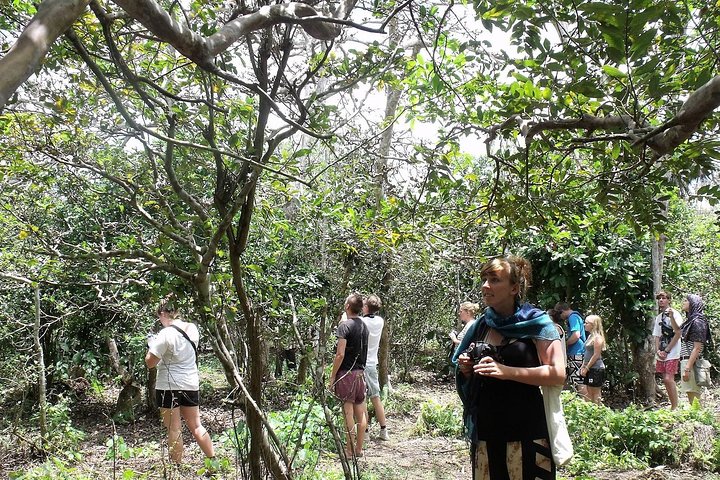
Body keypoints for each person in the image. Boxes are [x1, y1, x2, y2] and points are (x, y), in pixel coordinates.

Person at [454, 256, 566, 480]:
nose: (486, 285)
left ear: (514, 288)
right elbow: (470, 376)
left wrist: (506, 372)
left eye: (494, 280)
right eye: (485, 279)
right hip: (487, 430)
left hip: (526, 430)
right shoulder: (482, 325)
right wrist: (467, 370)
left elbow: (557, 373)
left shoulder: (538, 324)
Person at [145, 297, 216, 466]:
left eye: (159, 317)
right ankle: (214, 463)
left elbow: (150, 362)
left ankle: (176, 469)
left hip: (168, 386)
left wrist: (151, 345)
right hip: (190, 383)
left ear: (163, 314)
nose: (160, 321)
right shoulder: (192, 329)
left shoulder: (165, 334)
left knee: (174, 428)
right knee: (197, 426)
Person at [329, 292, 369, 458]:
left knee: (348, 414)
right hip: (361, 374)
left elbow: (340, 354)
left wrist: (332, 377)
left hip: (347, 374)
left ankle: (349, 451)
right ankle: (359, 449)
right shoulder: (364, 326)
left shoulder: (344, 327)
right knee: (361, 413)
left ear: (347, 307)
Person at [362, 294, 389, 441]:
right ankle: (383, 429)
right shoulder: (380, 321)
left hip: (362, 364)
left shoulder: (361, 322)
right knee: (375, 397)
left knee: (362, 399)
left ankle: (365, 432)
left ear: (366, 307)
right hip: (372, 363)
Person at [652, 291, 682, 409]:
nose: (661, 300)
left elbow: (678, 332)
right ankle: (672, 405)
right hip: (661, 352)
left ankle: (675, 406)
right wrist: (658, 351)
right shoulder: (659, 317)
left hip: (672, 352)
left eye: (664, 298)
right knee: (665, 380)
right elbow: (657, 335)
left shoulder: (675, 314)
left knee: (669, 379)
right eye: (659, 298)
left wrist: (667, 350)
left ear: (669, 300)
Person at [679, 293, 710, 406]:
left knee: (694, 392)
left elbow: (697, 348)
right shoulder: (691, 320)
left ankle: (698, 416)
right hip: (686, 360)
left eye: (686, 301)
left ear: (693, 304)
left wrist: (687, 368)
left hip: (691, 361)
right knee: (690, 391)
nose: (683, 302)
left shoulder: (698, 321)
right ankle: (696, 415)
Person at [555, 302, 586, 387]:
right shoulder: (576, 316)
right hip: (577, 352)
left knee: (578, 381)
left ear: (562, 311)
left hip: (577, 353)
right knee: (575, 379)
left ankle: (584, 400)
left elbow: (576, 335)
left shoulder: (573, 317)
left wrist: (565, 344)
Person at [579, 315, 606, 405]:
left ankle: (598, 411)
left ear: (593, 325)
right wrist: (583, 366)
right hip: (589, 368)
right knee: (589, 391)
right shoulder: (590, 336)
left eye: (587, 323)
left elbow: (596, 355)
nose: (584, 325)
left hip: (596, 368)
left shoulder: (598, 338)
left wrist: (587, 368)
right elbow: (587, 353)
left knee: (595, 392)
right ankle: (591, 411)